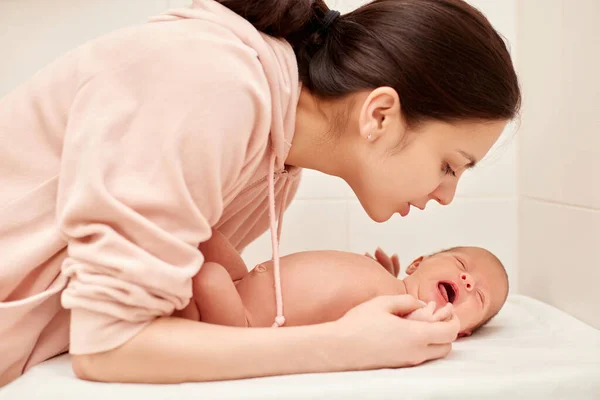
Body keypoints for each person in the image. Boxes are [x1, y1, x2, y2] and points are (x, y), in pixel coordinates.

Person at [0, 0, 521, 386]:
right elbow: (108, 346)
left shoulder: (278, 166)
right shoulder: (210, 83)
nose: (446, 196)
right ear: (379, 114)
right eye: (449, 166)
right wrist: (342, 347)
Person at [181, 230, 508, 338]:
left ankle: (171, 313)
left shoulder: (406, 316)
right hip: (245, 277)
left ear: (462, 330)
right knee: (202, 230)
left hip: (246, 323)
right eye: (462, 265)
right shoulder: (389, 283)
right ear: (417, 263)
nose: (466, 281)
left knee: (209, 277)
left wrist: (433, 325)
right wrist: (381, 274)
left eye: (477, 296)